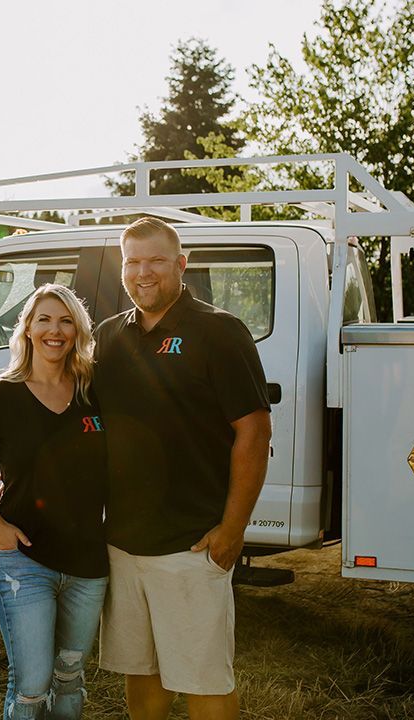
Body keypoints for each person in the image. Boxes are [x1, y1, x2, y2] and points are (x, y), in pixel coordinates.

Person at [93, 217, 272, 720]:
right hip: (124, 543)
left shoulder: (219, 331)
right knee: (142, 672)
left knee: (204, 679)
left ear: (181, 264)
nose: (142, 272)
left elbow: (254, 433)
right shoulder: (109, 336)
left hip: (192, 544)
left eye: (155, 261)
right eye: (132, 262)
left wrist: (232, 530)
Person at [0, 284, 108, 720]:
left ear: (77, 331)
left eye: (65, 321)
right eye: (44, 320)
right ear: (27, 328)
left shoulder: (94, 392)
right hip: (24, 561)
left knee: (70, 678)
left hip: (88, 565)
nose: (54, 330)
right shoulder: (1, 395)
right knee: (32, 687)